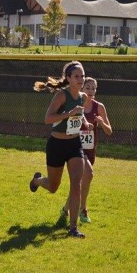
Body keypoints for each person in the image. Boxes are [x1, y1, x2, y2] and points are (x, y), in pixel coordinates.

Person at [29, 61, 89, 238]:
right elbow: (48, 119)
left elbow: (79, 115)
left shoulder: (83, 97)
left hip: (74, 145)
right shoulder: (61, 96)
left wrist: (84, 122)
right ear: (68, 78)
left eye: (82, 76)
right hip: (56, 145)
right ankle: (37, 181)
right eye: (76, 76)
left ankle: (73, 228)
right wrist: (68, 114)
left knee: (76, 184)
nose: (80, 79)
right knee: (54, 186)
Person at [61, 77, 112, 223]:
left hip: (90, 149)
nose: (91, 91)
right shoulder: (77, 104)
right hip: (75, 147)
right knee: (88, 174)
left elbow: (109, 131)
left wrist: (101, 123)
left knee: (79, 181)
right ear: (82, 89)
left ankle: (66, 208)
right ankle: (83, 210)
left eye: (93, 88)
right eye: (88, 88)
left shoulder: (99, 107)